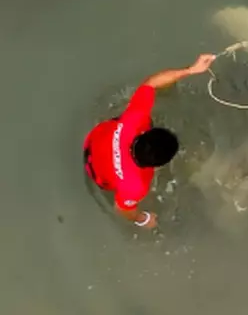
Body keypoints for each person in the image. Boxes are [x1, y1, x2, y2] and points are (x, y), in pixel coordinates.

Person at [82, 53, 216, 229]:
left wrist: (192, 70)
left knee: (135, 109)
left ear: (144, 135)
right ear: (158, 165)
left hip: (94, 139)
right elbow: (121, 208)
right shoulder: (136, 185)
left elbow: (151, 83)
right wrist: (143, 219)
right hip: (97, 174)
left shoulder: (135, 120)